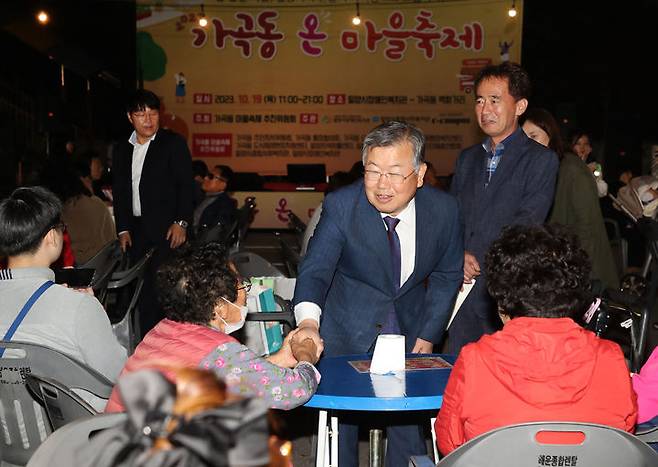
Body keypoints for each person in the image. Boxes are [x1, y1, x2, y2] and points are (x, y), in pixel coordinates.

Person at [293, 120, 464, 466]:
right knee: (340, 428)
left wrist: (431, 333)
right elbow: (316, 269)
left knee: (408, 424)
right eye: (373, 171)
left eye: (395, 173)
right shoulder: (343, 205)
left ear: (419, 173)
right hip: (344, 330)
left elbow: (447, 276)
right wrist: (309, 323)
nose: (382, 185)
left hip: (411, 333)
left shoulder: (444, 211)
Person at [436, 224, 637, 455]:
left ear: (503, 300)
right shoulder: (610, 358)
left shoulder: (476, 359)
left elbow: (450, 443)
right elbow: (624, 436)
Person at [105, 241, 321, 413]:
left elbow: (229, 374)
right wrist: (306, 356)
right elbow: (294, 391)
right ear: (219, 306)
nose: (246, 291)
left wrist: (278, 360)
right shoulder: (220, 351)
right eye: (240, 284)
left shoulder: (162, 331)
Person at [448, 62, 559, 354]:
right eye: (480, 100)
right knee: (458, 372)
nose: (485, 109)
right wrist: (458, 253)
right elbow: (452, 215)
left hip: (505, 291)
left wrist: (481, 258)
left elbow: (527, 223)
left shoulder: (540, 161)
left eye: (495, 100)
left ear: (520, 105)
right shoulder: (467, 159)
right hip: (460, 287)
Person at [0, 186, 126, 410]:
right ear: (51, 237)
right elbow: (119, 375)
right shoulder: (77, 306)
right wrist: (95, 312)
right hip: (66, 437)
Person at [112, 89, 195, 337]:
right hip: (135, 232)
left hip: (167, 231)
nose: (148, 119)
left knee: (161, 293)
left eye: (153, 112)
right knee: (138, 292)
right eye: (141, 114)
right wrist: (123, 228)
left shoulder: (172, 144)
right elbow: (121, 190)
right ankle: (145, 342)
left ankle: (164, 344)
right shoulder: (121, 149)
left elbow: (186, 186)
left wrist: (181, 222)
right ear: (130, 117)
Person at [527, 109, 620, 290]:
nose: (528, 143)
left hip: (580, 273)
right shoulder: (541, 169)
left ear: (551, 136)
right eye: (524, 138)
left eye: (534, 135)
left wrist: (577, 276)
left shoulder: (572, 169)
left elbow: (587, 227)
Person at [42, 161, 116, 264]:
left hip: (81, 269)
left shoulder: (61, 212)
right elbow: (112, 238)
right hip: (105, 266)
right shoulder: (95, 202)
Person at [193, 164, 237, 236]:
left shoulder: (224, 204)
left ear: (223, 184)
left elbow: (216, 232)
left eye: (211, 176)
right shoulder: (204, 197)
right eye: (207, 175)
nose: (205, 178)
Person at [571, 130, 608, 197]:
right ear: (572, 146)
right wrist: (586, 170)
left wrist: (593, 176)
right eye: (578, 144)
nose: (582, 147)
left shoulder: (595, 166)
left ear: (590, 148)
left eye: (586, 144)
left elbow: (602, 191)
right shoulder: (567, 164)